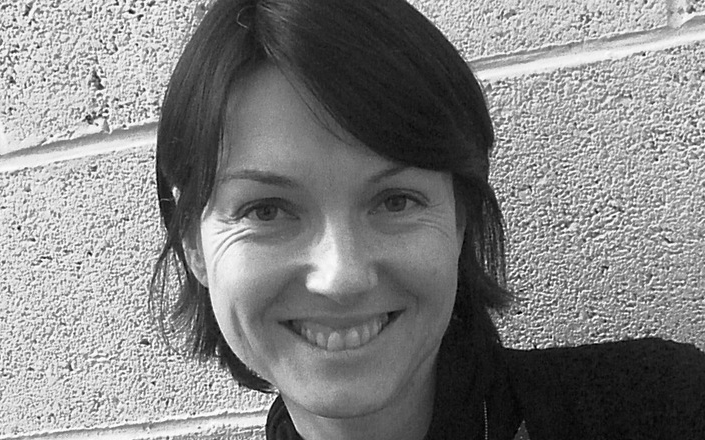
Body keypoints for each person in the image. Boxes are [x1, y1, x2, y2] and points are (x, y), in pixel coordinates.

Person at [150, 0, 705, 439]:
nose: (342, 277)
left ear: (460, 218)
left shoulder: (664, 409)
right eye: (265, 210)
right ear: (193, 243)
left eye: (395, 201)